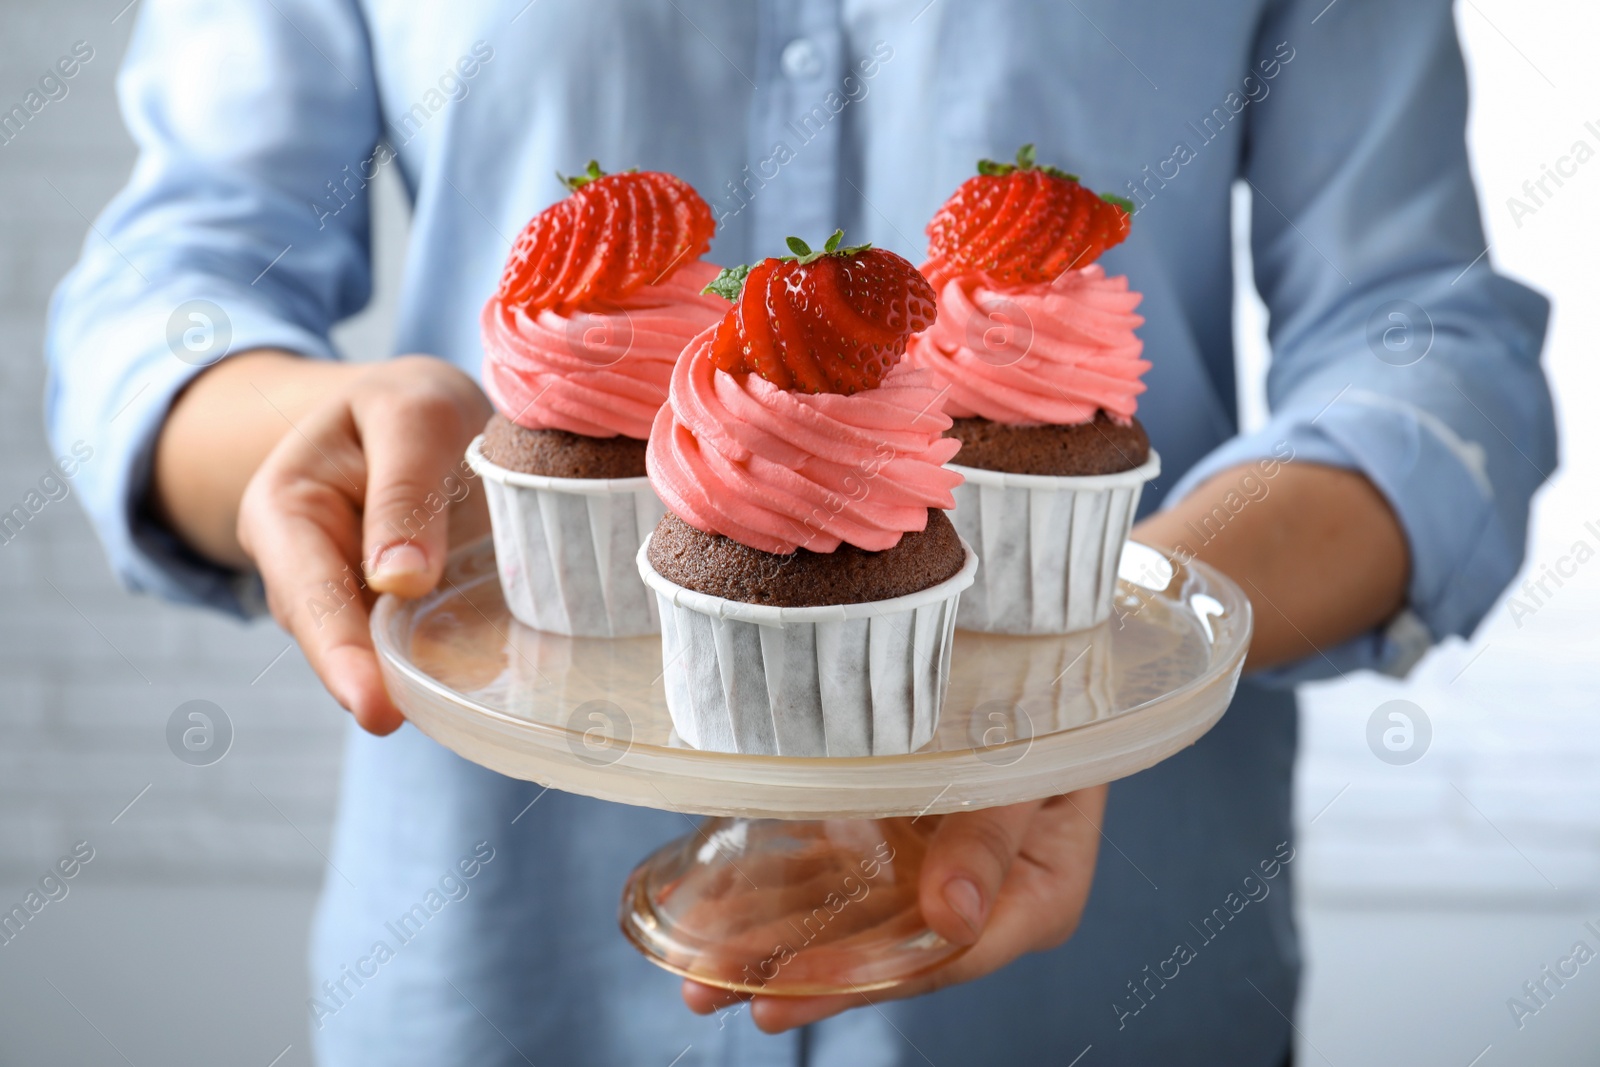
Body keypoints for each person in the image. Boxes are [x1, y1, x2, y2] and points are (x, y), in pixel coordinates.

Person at [46, 1, 1554, 1063]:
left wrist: (1144, 613)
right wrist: (296, 429)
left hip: (1112, 995)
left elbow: (1425, 335)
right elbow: (173, 278)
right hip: (493, 986)